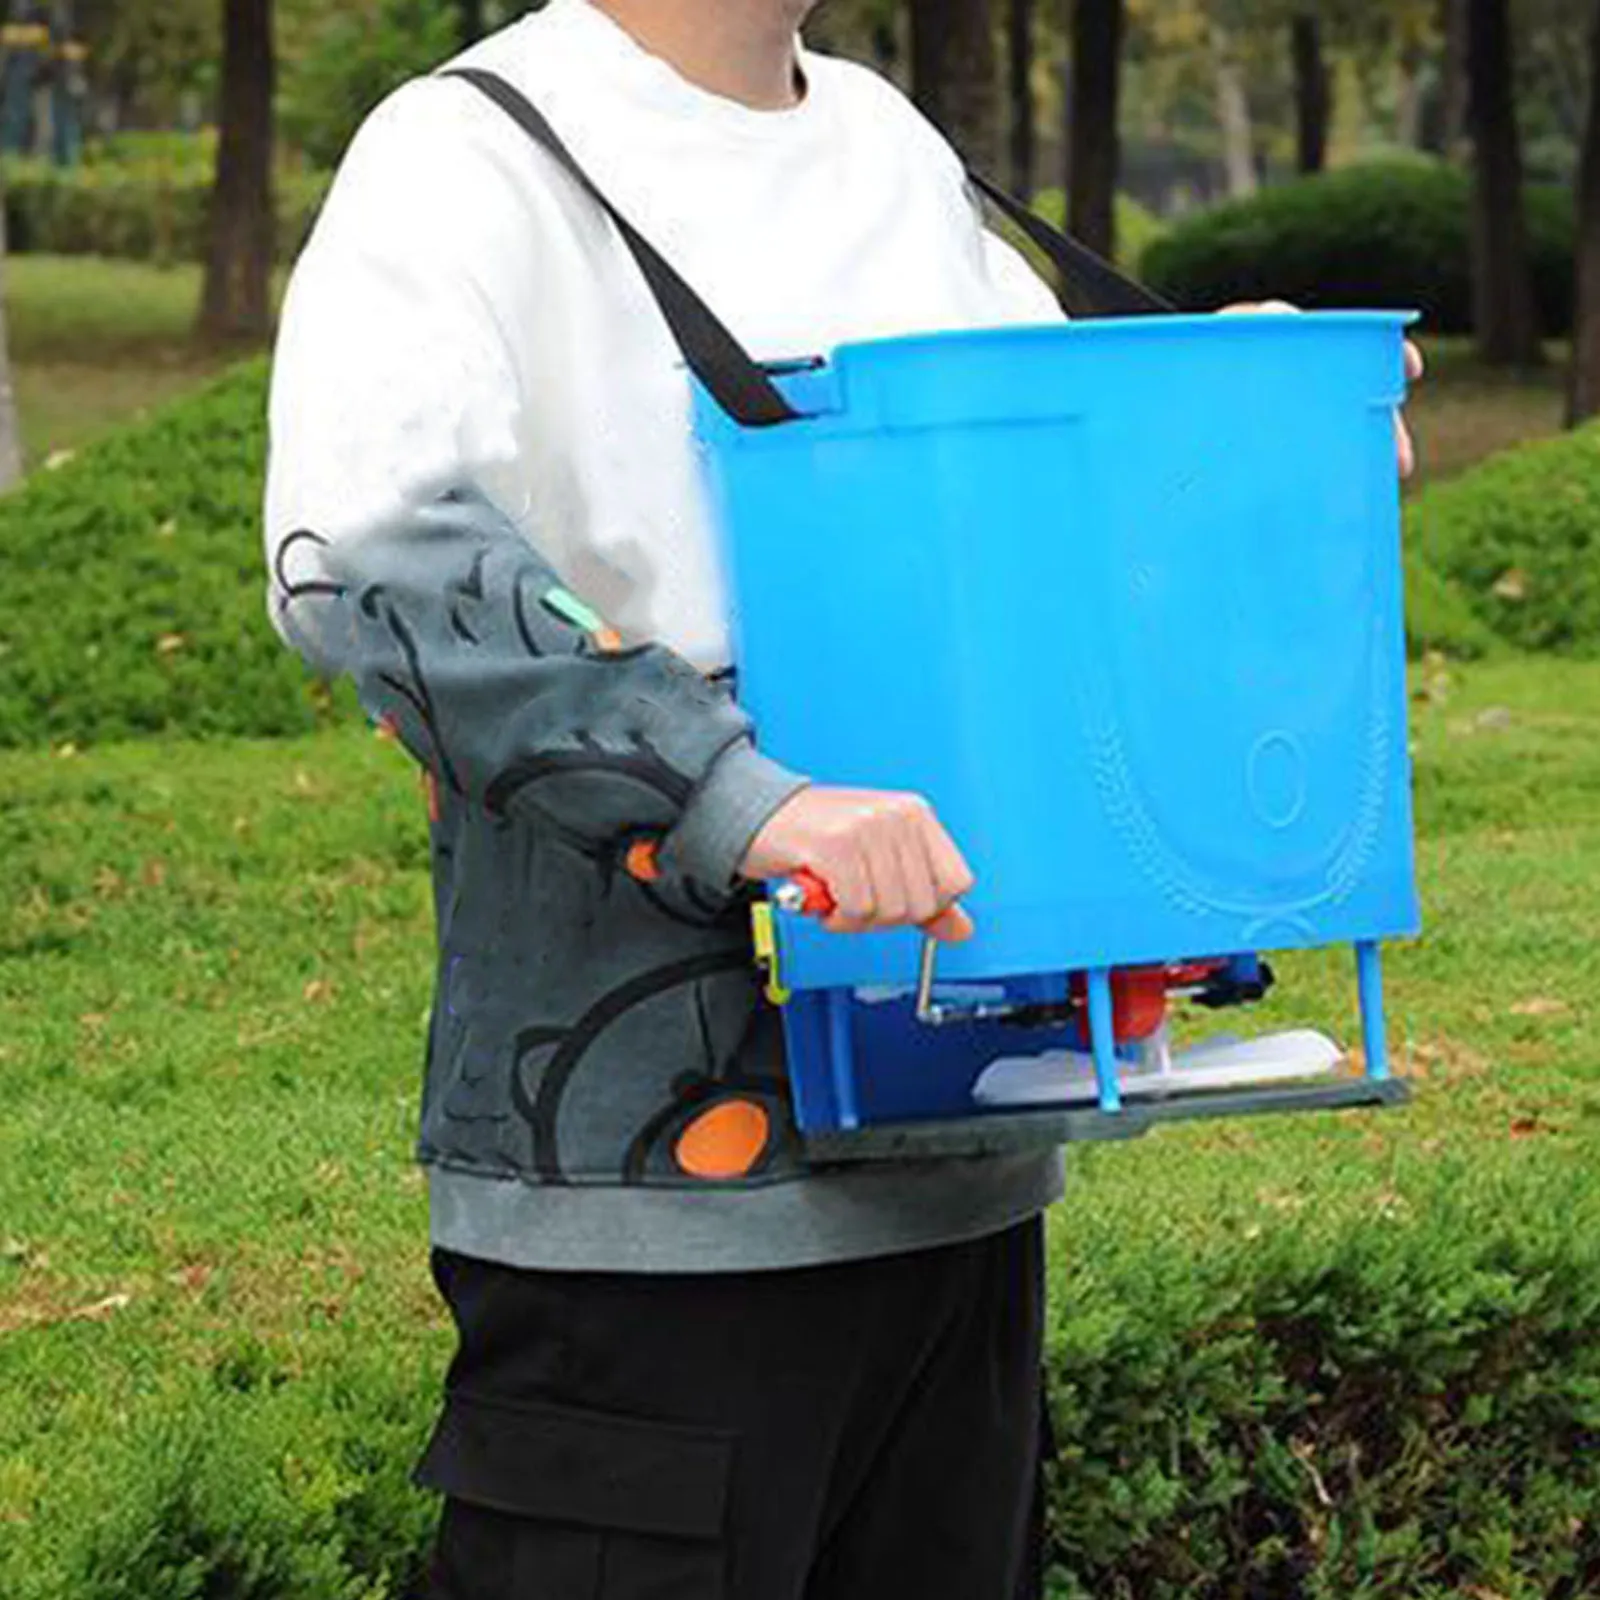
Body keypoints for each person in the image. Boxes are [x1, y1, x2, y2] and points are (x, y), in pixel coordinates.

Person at [263, 3, 1420, 1594]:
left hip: (961, 1163)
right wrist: (752, 799)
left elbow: (1043, 511)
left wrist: (1240, 410)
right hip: (653, 1198)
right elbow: (368, 559)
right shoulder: (467, 149)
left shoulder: (887, 142)